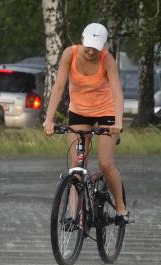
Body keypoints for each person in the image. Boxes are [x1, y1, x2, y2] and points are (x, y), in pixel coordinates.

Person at [42, 23, 129, 225]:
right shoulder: (69, 54)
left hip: (106, 111)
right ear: (82, 39)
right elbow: (59, 87)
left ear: (103, 45)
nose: (91, 51)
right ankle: (75, 215)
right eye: (88, 45)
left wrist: (118, 121)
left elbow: (117, 92)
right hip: (79, 111)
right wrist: (49, 118)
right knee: (77, 166)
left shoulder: (107, 60)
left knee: (105, 163)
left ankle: (121, 207)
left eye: (96, 47)